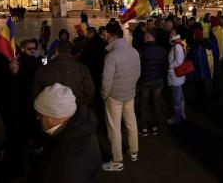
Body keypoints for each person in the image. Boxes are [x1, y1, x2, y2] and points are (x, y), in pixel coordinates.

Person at [31, 83, 101, 183]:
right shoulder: (82, 126)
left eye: (41, 114)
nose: (37, 118)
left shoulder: (66, 164)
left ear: (54, 118)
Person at [101, 23, 140, 171]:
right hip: (129, 94)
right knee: (131, 123)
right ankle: (133, 151)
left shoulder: (111, 56)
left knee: (114, 128)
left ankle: (117, 161)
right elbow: (138, 73)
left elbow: (106, 81)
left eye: (106, 35)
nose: (105, 38)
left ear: (112, 36)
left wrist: (104, 95)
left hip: (114, 96)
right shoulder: (134, 52)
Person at [33, 41, 95, 105]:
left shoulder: (44, 67)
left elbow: (35, 91)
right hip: (74, 106)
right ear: (72, 53)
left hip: (50, 107)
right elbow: (90, 91)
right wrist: (81, 104)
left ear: (57, 51)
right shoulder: (82, 68)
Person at [138, 30, 168, 136]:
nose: (143, 38)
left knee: (144, 105)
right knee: (156, 104)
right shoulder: (162, 50)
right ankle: (155, 127)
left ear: (148, 37)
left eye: (145, 36)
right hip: (158, 81)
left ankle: (144, 128)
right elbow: (165, 66)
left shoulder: (142, 51)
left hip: (145, 81)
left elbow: (138, 68)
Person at [167, 33, 186, 125]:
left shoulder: (177, 47)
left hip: (175, 76)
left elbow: (178, 61)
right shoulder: (180, 45)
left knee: (176, 99)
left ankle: (177, 118)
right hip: (179, 76)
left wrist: (169, 66)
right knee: (180, 96)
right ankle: (182, 114)